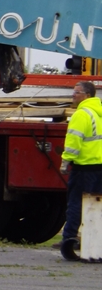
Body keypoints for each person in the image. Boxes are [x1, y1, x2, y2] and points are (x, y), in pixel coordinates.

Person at [59, 81, 102, 250]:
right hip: (99, 166)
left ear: (87, 95)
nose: (73, 95)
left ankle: (69, 239)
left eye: (77, 92)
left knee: (76, 203)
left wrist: (66, 161)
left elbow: (74, 140)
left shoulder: (82, 114)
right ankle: (93, 241)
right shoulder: (98, 113)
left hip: (84, 167)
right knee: (95, 205)